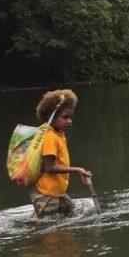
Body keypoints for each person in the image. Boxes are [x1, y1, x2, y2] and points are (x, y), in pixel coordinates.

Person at [30, 89, 93, 218]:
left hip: (56, 191)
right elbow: (50, 167)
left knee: (71, 212)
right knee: (48, 230)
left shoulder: (58, 134)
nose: (69, 121)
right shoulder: (50, 137)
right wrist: (77, 170)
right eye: (65, 117)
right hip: (47, 194)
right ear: (50, 117)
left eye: (71, 117)